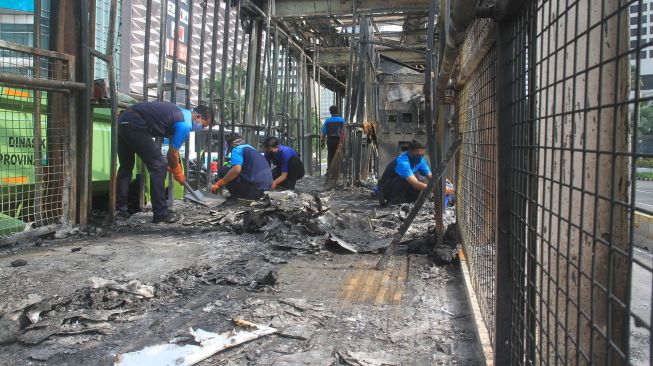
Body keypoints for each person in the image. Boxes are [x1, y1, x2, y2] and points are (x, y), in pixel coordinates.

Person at [116, 102, 209, 223]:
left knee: (126, 167)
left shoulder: (180, 113)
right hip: (135, 123)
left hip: (124, 119)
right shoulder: (185, 124)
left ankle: (119, 211)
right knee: (159, 167)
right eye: (204, 124)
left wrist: (172, 165)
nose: (202, 127)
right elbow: (172, 153)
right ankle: (160, 213)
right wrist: (178, 173)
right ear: (198, 117)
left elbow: (172, 155)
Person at [211, 134, 272, 200]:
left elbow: (236, 170)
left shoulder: (237, 149)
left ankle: (236, 197)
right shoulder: (253, 150)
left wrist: (219, 183)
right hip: (266, 191)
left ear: (230, 145)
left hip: (254, 192)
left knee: (223, 170)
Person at [377, 140, 433, 206]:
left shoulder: (421, 161)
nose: (420, 157)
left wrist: (444, 184)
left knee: (420, 178)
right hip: (386, 188)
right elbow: (415, 183)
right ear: (410, 152)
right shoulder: (403, 161)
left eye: (422, 155)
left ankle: (408, 202)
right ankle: (393, 203)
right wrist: (435, 190)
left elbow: (431, 176)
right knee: (406, 178)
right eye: (418, 155)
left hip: (399, 188)